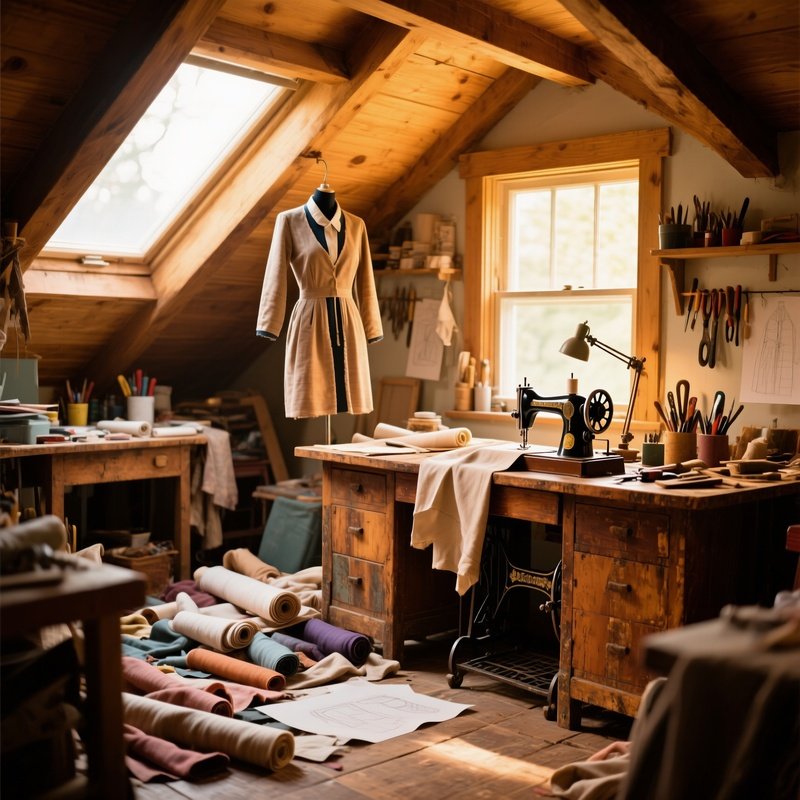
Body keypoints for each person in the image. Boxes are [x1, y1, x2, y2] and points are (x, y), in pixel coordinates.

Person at [256, 183, 382, 419]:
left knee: (348, 387)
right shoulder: (289, 221)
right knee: (312, 389)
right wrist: (269, 323)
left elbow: (366, 280)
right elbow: (276, 274)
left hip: (348, 320)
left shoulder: (356, 225)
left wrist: (371, 326)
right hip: (310, 319)